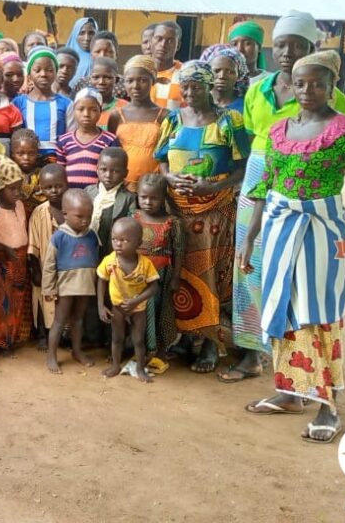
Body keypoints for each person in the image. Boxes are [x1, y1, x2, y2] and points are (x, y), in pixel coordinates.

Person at [241, 51, 345, 443]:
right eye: (300, 83)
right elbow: (263, 190)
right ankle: (290, 393)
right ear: (291, 86)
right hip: (278, 231)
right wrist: (249, 238)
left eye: (317, 83)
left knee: (319, 311)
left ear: (333, 86)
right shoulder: (279, 131)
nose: (307, 90)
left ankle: (328, 405)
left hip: (322, 234)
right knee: (282, 304)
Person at [230, 10, 345, 383]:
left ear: (311, 49)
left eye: (297, 46)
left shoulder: (334, 98)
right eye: (281, 44)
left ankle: (292, 359)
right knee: (249, 265)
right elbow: (254, 138)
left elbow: (342, 150)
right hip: (259, 179)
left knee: (294, 273)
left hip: (304, 189)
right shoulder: (257, 89)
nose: (287, 52)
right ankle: (251, 352)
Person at [154, 60, 250, 375]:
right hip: (179, 209)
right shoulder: (172, 119)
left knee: (210, 273)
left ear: (209, 87)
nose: (191, 92)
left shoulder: (228, 121)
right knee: (180, 273)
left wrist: (213, 184)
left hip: (215, 211)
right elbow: (162, 162)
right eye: (186, 86)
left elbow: (242, 167)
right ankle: (186, 336)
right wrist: (169, 180)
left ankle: (211, 342)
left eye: (197, 86)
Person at [0, 156, 32, 353]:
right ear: (0, 188)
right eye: (12, 189)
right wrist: (4, 248)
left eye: (19, 187)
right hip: (1, 261)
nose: (18, 193)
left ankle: (11, 338)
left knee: (16, 300)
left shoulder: (18, 205)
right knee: (0, 303)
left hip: (18, 259)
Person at [97, 218, 160, 383]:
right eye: (114, 239)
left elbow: (154, 287)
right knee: (117, 338)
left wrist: (135, 301)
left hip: (138, 308)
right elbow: (101, 281)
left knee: (138, 340)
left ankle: (140, 368)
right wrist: (100, 306)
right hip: (117, 307)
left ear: (138, 243)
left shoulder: (145, 264)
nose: (118, 244)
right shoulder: (109, 261)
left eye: (124, 240)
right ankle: (115, 366)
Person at [43, 188, 99, 372]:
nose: (85, 221)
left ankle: (77, 351)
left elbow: (97, 260)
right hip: (66, 286)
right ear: (65, 214)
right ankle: (51, 356)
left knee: (79, 320)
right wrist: (49, 289)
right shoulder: (59, 236)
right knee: (59, 321)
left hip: (86, 284)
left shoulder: (92, 235)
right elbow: (49, 264)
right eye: (79, 216)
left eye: (88, 217)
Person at [133, 173, 183, 355]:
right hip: (136, 275)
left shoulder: (173, 222)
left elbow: (178, 251)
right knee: (138, 310)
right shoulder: (134, 217)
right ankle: (137, 347)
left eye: (154, 198)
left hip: (160, 275)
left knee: (156, 309)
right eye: (144, 197)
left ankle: (156, 347)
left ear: (163, 199)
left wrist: (176, 277)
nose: (148, 202)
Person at [107, 56, 166, 191]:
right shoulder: (117, 115)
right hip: (121, 186)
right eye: (130, 80)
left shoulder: (164, 115)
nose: (136, 86)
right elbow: (112, 151)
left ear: (153, 81)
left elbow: (167, 155)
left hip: (153, 188)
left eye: (143, 80)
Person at [27, 163, 68, 348]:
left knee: (66, 301)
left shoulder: (73, 208)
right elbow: (33, 244)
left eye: (59, 186)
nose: (54, 191)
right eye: (49, 187)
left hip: (68, 268)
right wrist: (35, 269)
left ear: (67, 184)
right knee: (44, 299)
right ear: (42, 188)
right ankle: (43, 334)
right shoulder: (39, 212)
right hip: (45, 266)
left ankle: (64, 335)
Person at [56, 87, 119, 188]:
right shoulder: (63, 141)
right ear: (74, 110)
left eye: (93, 110)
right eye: (81, 109)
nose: (86, 114)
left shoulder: (110, 141)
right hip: (70, 196)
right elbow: (60, 172)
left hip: (97, 197)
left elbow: (114, 172)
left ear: (100, 111)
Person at [13, 48, 71, 156]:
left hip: (56, 161)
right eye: (37, 70)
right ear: (29, 75)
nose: (43, 74)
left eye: (49, 70)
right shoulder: (18, 102)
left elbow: (70, 135)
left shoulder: (66, 103)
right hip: (27, 161)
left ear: (56, 73)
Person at [88, 147, 137, 252]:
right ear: (97, 169)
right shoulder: (88, 192)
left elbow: (131, 228)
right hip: (87, 249)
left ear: (125, 173)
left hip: (112, 252)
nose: (108, 175)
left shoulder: (130, 199)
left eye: (115, 171)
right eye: (103, 169)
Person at [201, 44, 249, 113]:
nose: (222, 76)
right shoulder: (196, 102)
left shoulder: (246, 107)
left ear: (239, 75)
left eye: (230, 72)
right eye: (216, 71)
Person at [10, 127, 46, 219]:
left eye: (31, 153)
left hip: (38, 219)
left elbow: (44, 196)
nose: (26, 158)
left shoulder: (42, 174)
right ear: (12, 154)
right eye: (20, 154)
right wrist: (33, 188)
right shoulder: (9, 174)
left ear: (37, 154)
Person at [149, 21, 183, 109]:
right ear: (150, 42)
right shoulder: (138, 70)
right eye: (159, 38)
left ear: (178, 45)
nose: (163, 44)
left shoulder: (185, 74)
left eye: (170, 40)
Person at [86, 57, 127, 128]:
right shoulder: (82, 106)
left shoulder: (125, 108)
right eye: (96, 77)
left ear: (116, 80)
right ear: (90, 79)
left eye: (107, 77)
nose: (101, 82)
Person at [65, 16, 98, 83]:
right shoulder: (64, 59)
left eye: (91, 33)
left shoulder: (100, 60)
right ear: (75, 35)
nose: (87, 38)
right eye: (81, 33)